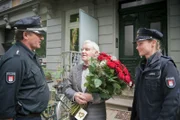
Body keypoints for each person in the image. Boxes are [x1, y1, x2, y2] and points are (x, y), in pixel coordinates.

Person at [0, 16, 50, 120]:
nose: (42, 38)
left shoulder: (28, 55)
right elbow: (6, 99)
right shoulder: (15, 59)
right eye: (38, 34)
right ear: (26, 35)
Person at [131, 28, 180, 120]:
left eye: (140, 43)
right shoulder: (141, 66)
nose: (137, 47)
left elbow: (172, 100)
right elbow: (138, 99)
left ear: (153, 43)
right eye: (137, 44)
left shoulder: (166, 65)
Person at [64, 40, 106, 120]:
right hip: (75, 114)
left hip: (95, 114)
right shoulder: (75, 69)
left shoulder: (103, 70)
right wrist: (74, 95)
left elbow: (108, 93)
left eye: (87, 49)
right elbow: (66, 87)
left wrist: (92, 97)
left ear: (96, 53)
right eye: (82, 49)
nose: (83, 51)